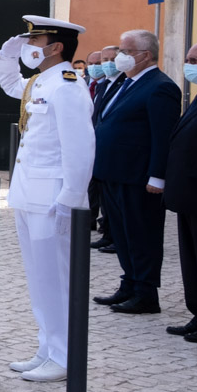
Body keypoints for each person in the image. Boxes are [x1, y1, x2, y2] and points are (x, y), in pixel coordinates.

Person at [0, 17, 93, 383]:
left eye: (37, 40)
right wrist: (7, 55)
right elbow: (10, 86)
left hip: (52, 198)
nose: (31, 46)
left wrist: (70, 200)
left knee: (57, 279)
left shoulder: (68, 86)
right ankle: (47, 348)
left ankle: (64, 357)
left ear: (57, 48)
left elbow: (80, 148)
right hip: (30, 193)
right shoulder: (41, 81)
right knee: (39, 279)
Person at [92, 29, 180, 315]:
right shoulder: (123, 83)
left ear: (146, 55)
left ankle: (145, 292)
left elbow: (162, 135)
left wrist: (158, 176)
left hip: (139, 177)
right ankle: (128, 283)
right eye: (121, 50)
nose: (120, 57)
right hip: (113, 172)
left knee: (142, 235)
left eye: (127, 52)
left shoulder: (160, 86)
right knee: (122, 233)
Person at [160, 43, 197, 341]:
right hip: (189, 197)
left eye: (195, 60)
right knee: (192, 260)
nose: (190, 66)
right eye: (188, 60)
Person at [86, 46, 121, 253]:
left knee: (112, 200)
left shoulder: (122, 84)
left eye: (109, 60)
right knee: (102, 195)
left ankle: (113, 235)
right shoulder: (103, 86)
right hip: (97, 146)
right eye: (102, 60)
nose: (105, 64)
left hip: (114, 153)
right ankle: (107, 233)